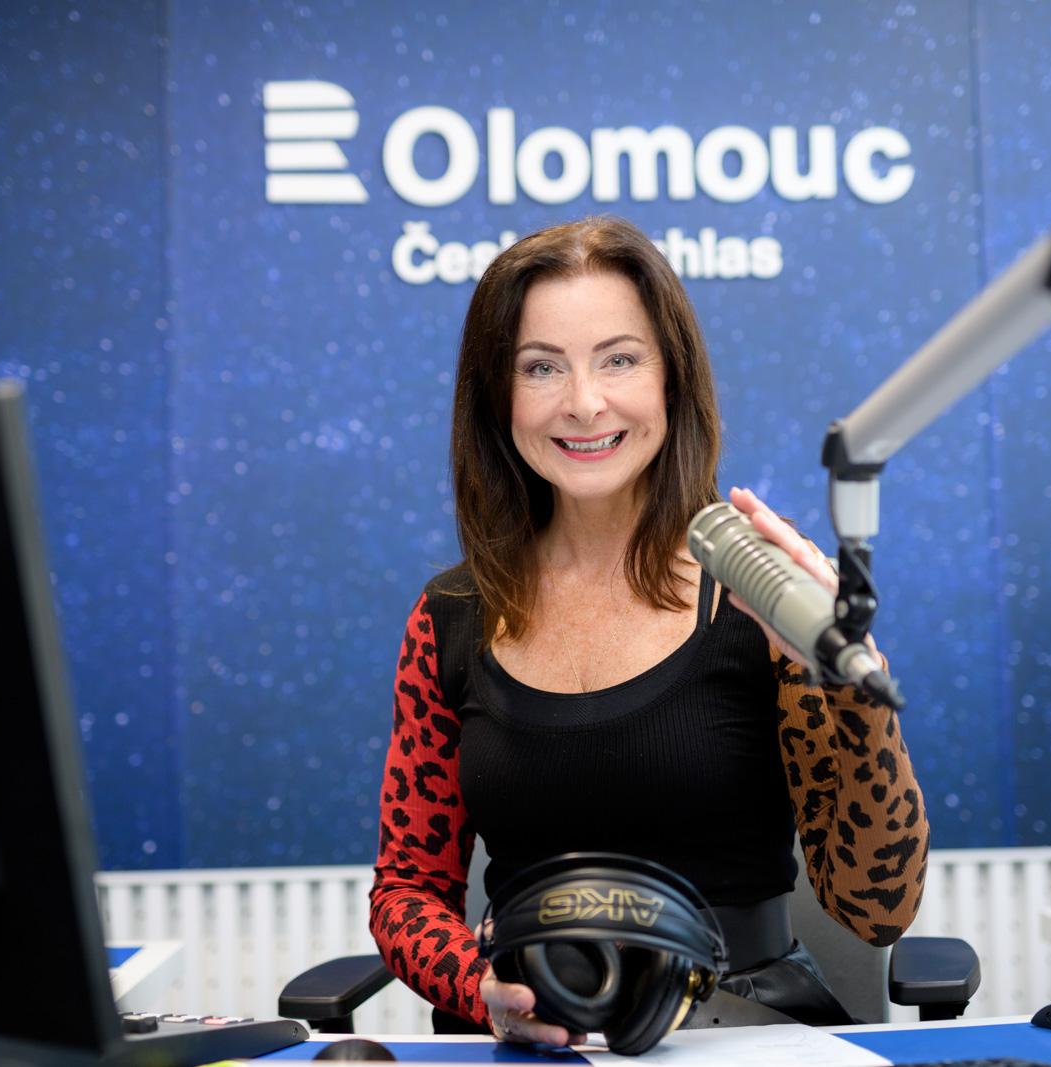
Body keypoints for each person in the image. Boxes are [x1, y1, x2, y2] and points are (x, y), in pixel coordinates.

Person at [367, 216, 929, 1045]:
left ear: (673, 377)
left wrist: (849, 683)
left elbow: (878, 907)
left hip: (743, 1030)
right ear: (497, 396)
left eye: (620, 359)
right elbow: (408, 888)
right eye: (541, 366)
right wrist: (478, 985)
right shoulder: (449, 613)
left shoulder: (762, 592)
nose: (584, 401)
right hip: (532, 1035)